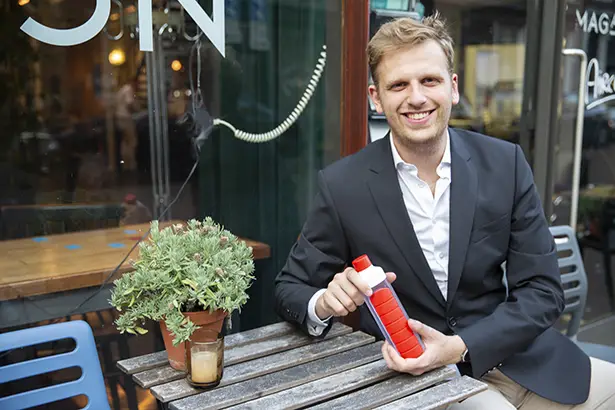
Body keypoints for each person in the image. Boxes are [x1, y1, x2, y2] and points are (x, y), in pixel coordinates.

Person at [273, 12, 615, 410]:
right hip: (416, 375)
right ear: (375, 98)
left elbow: (542, 291)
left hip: (513, 355)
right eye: (398, 84)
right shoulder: (343, 185)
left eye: (429, 80)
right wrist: (325, 303)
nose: (416, 97)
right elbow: (288, 288)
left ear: (452, 88)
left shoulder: (505, 163)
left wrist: (461, 346)